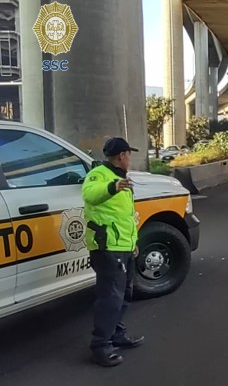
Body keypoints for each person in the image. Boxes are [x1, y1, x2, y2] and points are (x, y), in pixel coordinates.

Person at [82, 137, 144, 367]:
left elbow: (125, 217)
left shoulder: (122, 179)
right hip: (107, 248)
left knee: (124, 295)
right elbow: (90, 194)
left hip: (123, 246)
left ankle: (116, 334)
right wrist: (112, 187)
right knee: (110, 297)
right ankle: (101, 345)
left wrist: (133, 242)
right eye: (129, 154)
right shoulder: (100, 176)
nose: (130, 158)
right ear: (122, 156)